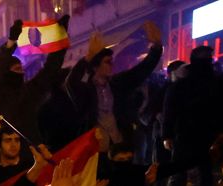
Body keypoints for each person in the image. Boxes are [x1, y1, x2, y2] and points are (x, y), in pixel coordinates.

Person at [65, 22, 164, 153]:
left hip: (120, 146)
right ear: (96, 66)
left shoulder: (117, 84)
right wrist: (87, 58)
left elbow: (141, 71)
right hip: (95, 150)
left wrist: (156, 48)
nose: (112, 65)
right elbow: (71, 82)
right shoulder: (86, 90)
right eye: (107, 62)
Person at [0, 16, 69, 163]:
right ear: (5, 72)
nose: (20, 71)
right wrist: (11, 42)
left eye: (21, 68)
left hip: (31, 157)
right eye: (15, 69)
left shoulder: (30, 92)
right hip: (4, 160)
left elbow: (50, 70)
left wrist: (60, 40)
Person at [162, 46, 223, 186]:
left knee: (187, 171)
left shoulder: (183, 85)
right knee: (202, 171)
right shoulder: (215, 83)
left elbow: (169, 110)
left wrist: (167, 135)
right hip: (199, 134)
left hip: (189, 133)